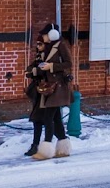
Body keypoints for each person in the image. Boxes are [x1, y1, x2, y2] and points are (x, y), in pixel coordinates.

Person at [23, 24, 74, 159]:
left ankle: (46, 149)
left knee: (48, 118)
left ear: (52, 34)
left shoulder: (61, 45)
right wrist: (34, 70)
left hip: (57, 88)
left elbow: (69, 63)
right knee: (56, 118)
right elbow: (39, 65)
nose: (43, 37)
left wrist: (51, 66)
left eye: (45, 34)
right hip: (50, 89)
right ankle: (63, 147)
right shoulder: (48, 48)